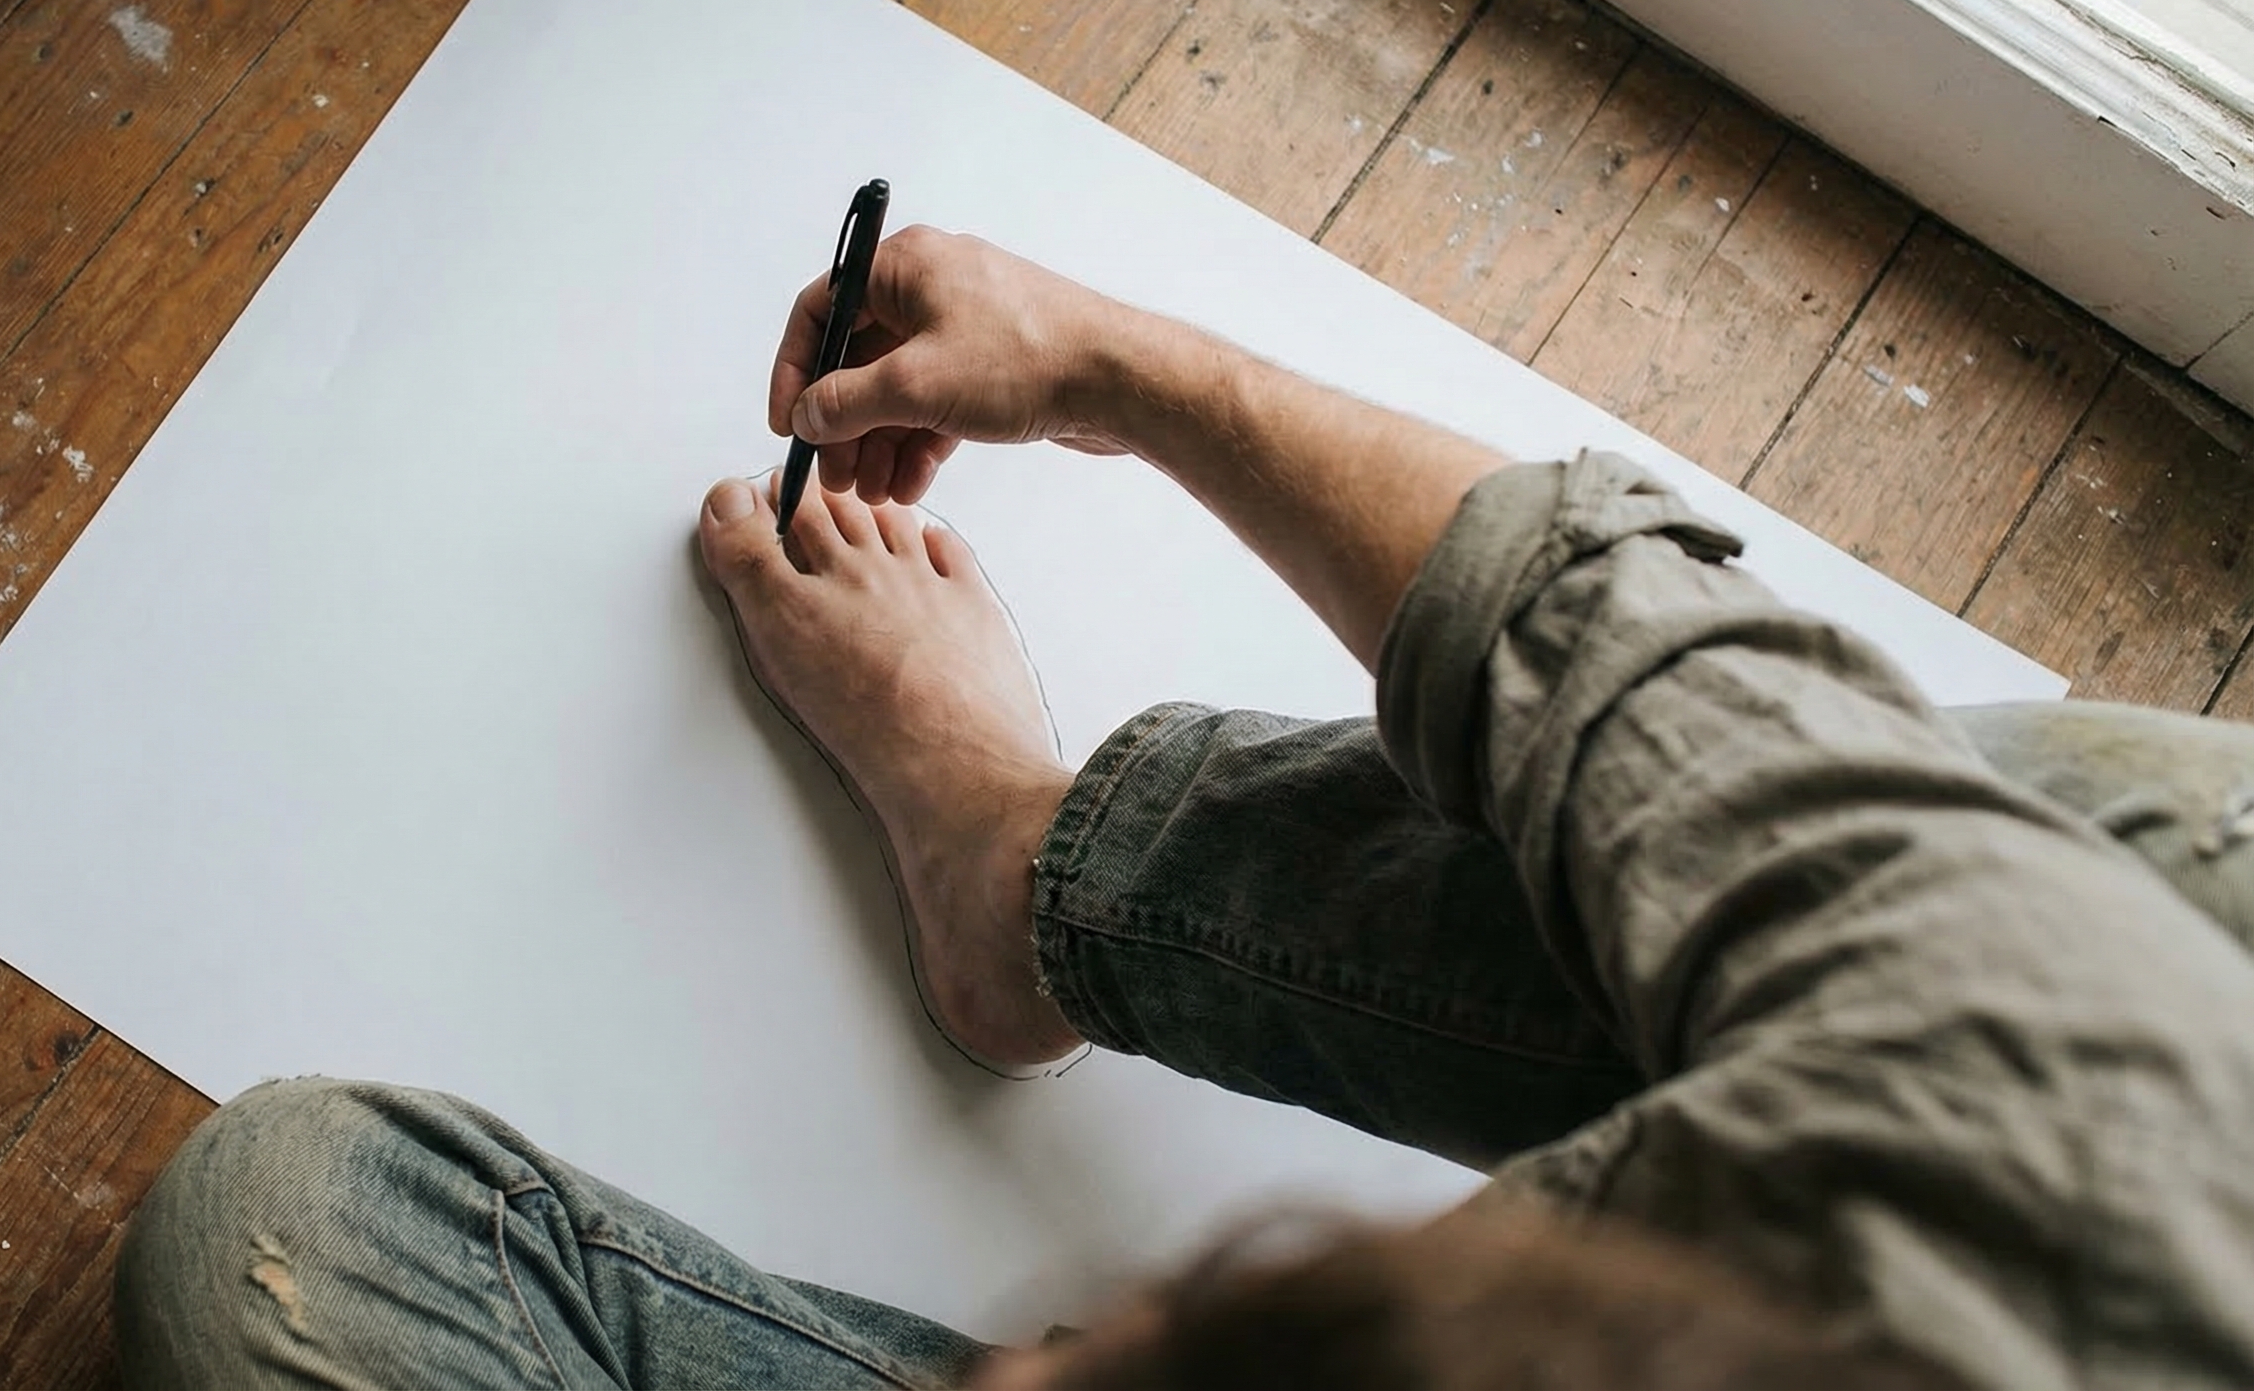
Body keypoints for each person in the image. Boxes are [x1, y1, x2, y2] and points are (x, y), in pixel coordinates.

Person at [111, 229, 2254, 1389]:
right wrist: (1115, 370)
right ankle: (1025, 877)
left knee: (292, 1232)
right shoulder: (2070, 1133)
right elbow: (1588, 637)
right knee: (2125, 825)